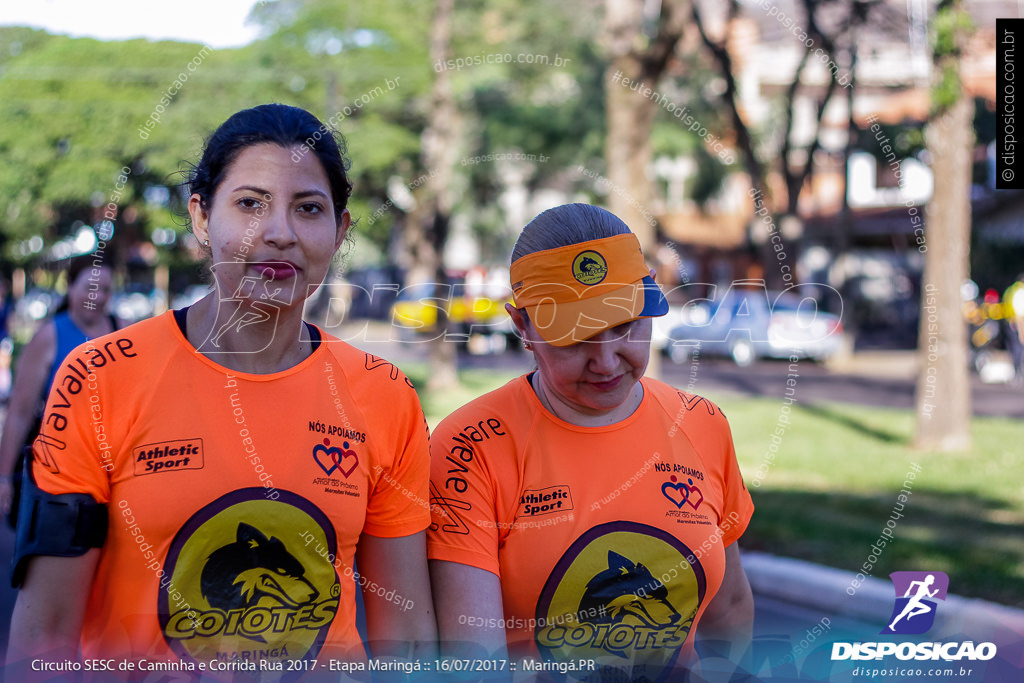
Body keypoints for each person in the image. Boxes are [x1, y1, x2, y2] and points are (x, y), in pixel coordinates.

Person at [7, 104, 436, 673]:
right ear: (202, 218)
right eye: (251, 204)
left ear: (340, 230)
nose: (280, 233)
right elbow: (43, 637)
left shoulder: (384, 392)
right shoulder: (101, 375)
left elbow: (405, 636)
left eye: (309, 208)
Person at [428, 203, 754, 681]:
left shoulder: (701, 423)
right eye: (574, 338)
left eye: (624, 327)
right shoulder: (471, 445)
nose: (605, 362)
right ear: (523, 326)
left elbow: (730, 607)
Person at [0, 254, 120, 527]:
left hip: (113, 473)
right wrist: (4, 478)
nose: (98, 296)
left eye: (106, 289)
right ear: (69, 286)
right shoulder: (48, 337)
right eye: (90, 288)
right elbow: (20, 412)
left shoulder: (121, 330)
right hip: (62, 476)